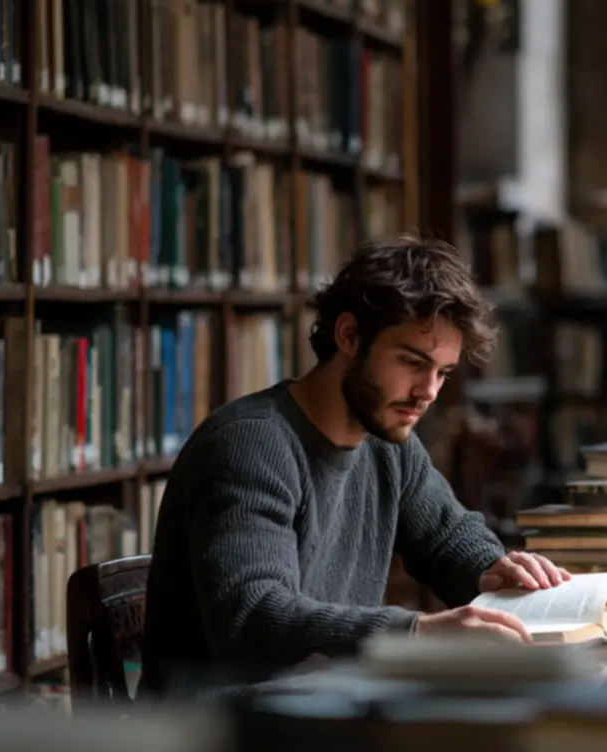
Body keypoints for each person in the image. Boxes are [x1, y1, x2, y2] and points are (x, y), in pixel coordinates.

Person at [139, 236, 571, 701]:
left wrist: (495, 570)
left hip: (321, 708)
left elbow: (448, 537)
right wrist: (414, 633)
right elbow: (254, 616)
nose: (428, 391)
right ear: (348, 336)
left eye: (443, 373)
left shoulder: (388, 442)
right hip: (217, 728)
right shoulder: (249, 445)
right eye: (411, 362)